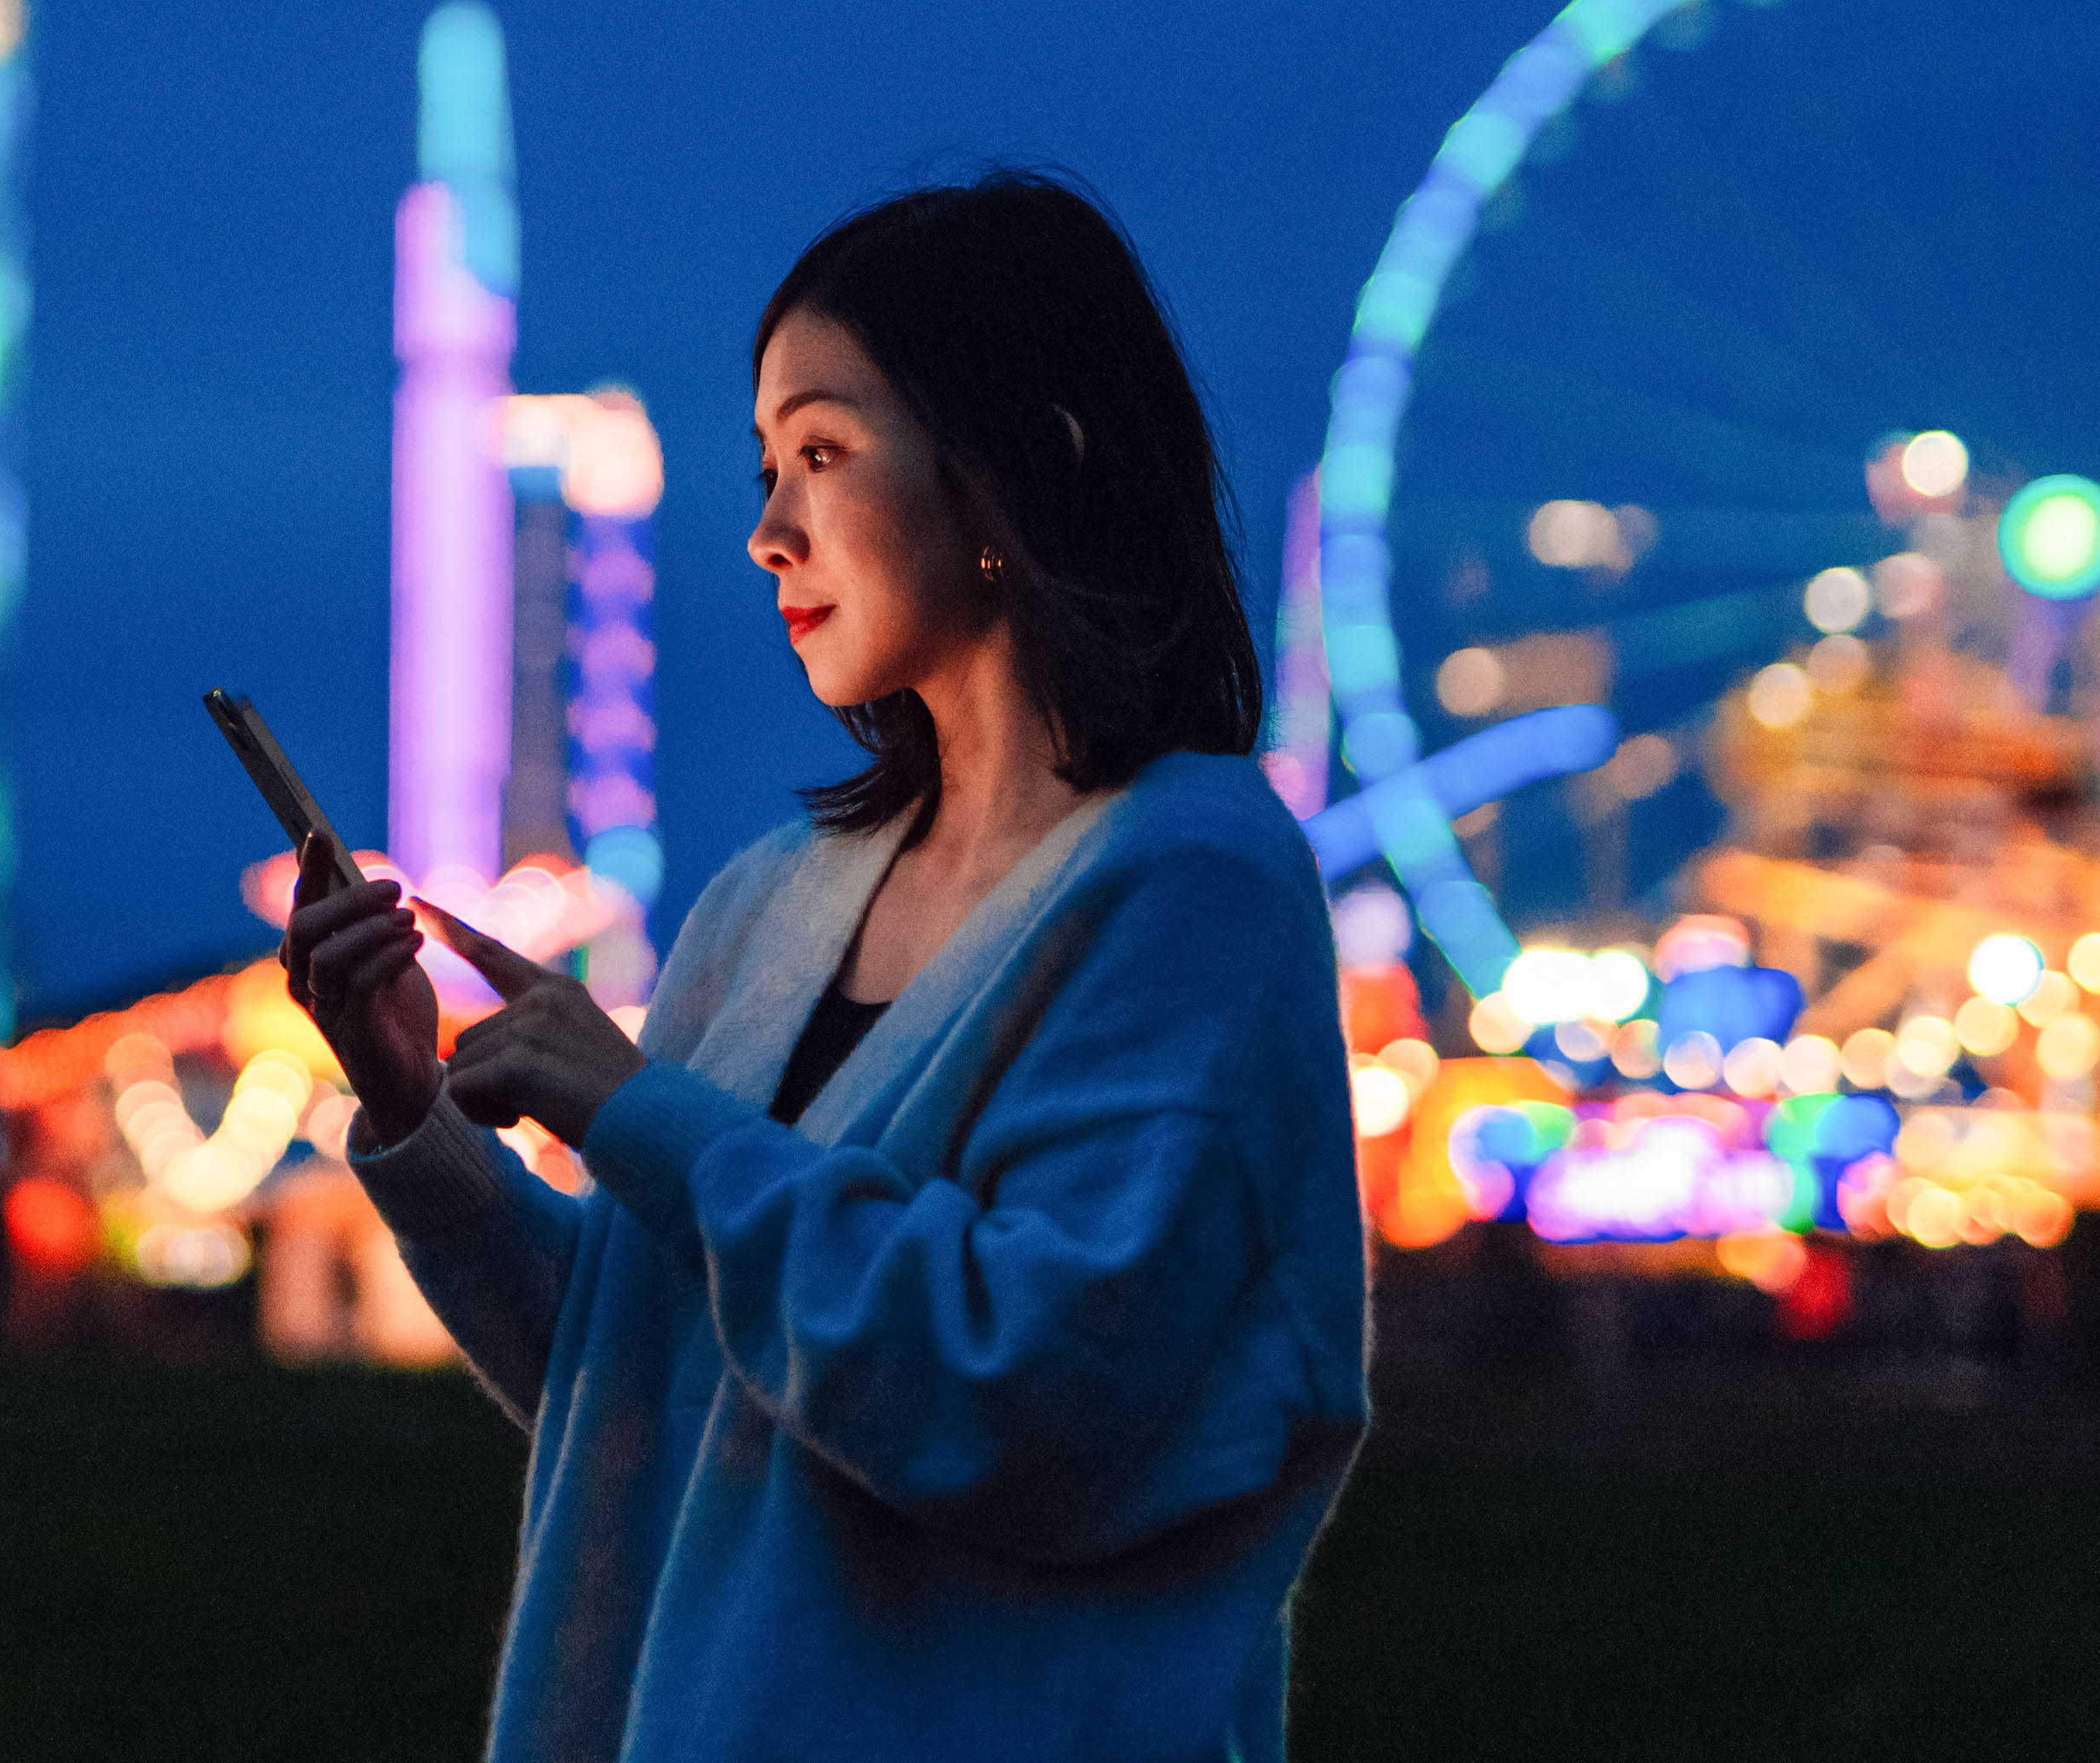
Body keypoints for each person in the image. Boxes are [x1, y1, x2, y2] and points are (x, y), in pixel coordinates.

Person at [286, 171, 1366, 1763]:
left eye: (825, 452)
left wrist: (644, 1119)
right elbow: (648, 1380)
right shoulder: (771, 903)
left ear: (1029, 458)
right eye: (767, 461)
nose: (767, 528)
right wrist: (411, 1113)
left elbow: (1036, 1400)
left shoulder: (1191, 887)